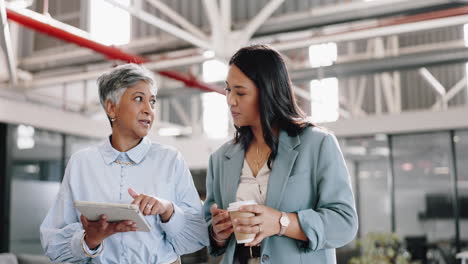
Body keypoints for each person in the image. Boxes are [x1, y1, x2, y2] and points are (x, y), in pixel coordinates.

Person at [203, 44, 358, 264]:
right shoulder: (221, 158)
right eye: (228, 90)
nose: (230, 100)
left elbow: (344, 224)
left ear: (268, 91)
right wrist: (216, 233)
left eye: (240, 92)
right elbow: (207, 226)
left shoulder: (317, 144)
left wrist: (281, 222)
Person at [40, 63, 208, 263]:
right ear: (112, 107)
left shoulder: (170, 160)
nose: (149, 110)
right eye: (139, 99)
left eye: (152, 102)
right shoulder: (81, 164)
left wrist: (167, 209)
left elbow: (198, 235)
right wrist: (89, 240)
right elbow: (53, 242)